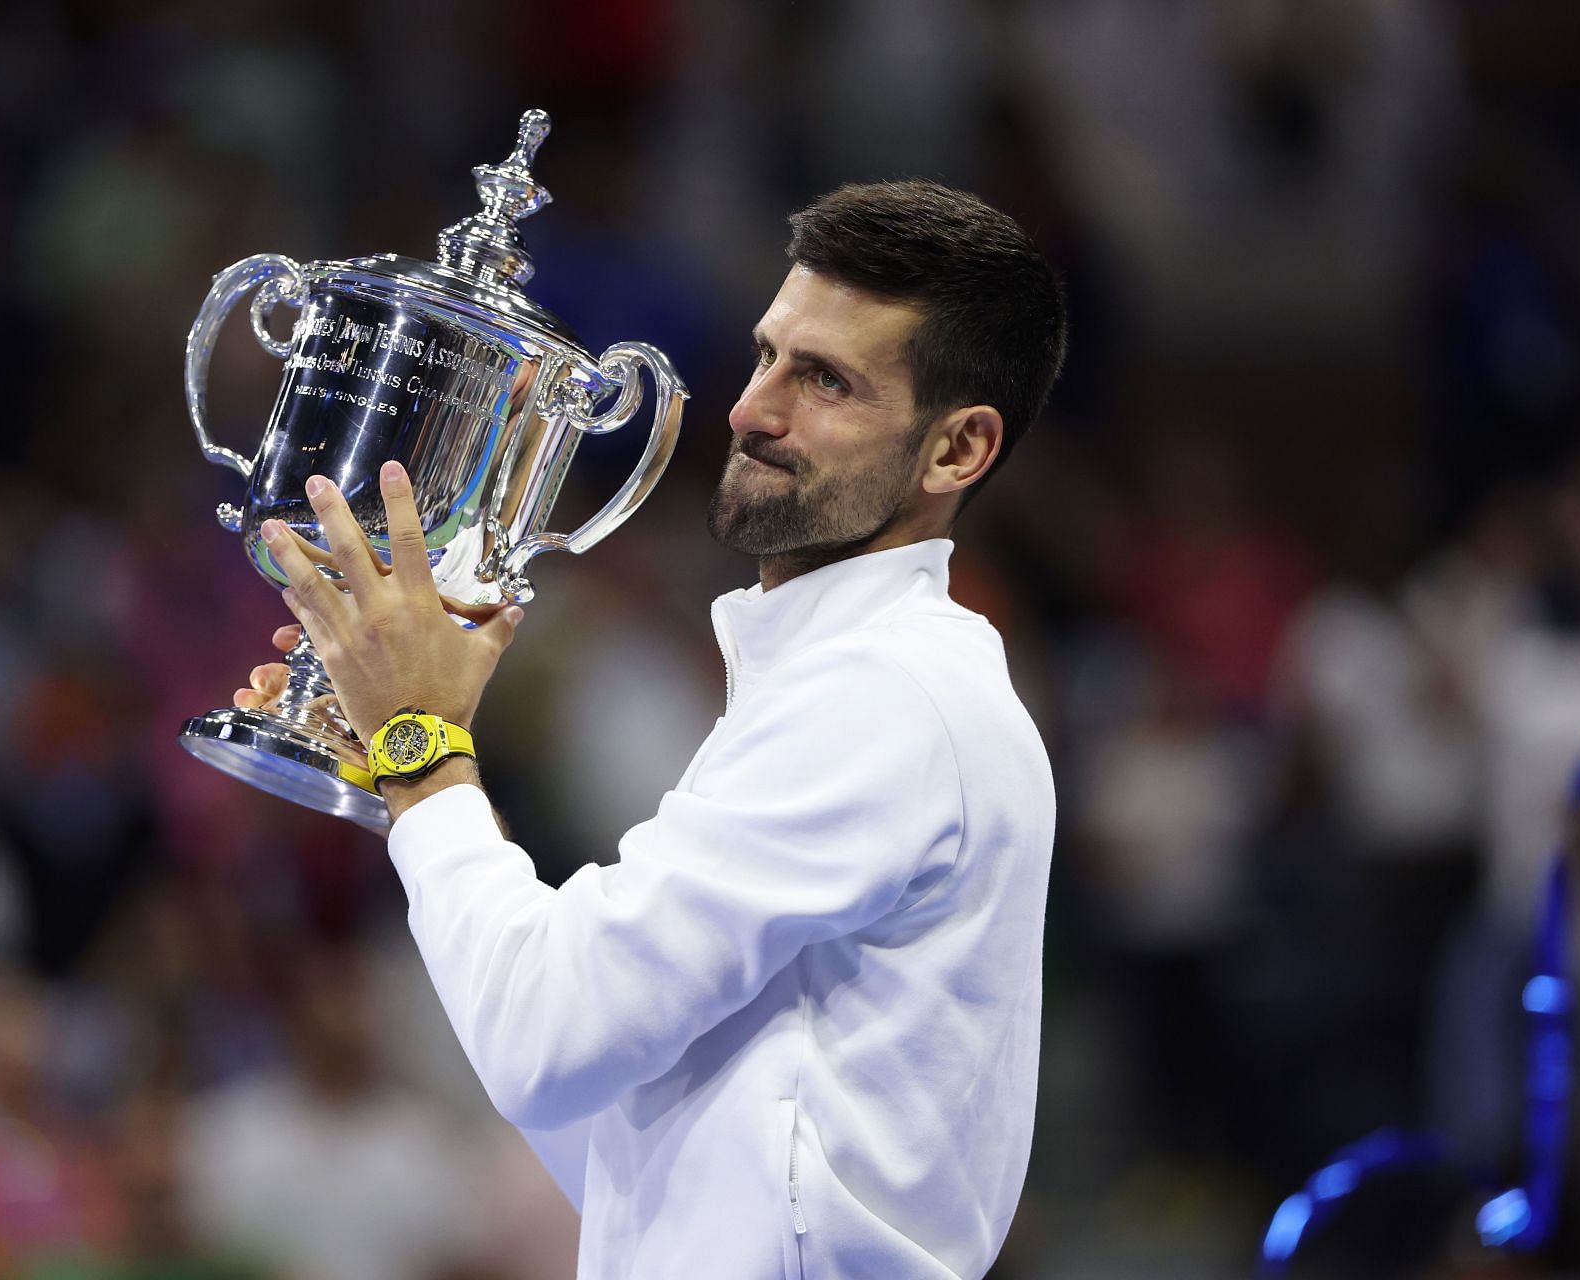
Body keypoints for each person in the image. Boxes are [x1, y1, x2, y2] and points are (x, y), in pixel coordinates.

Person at [241, 179, 1068, 1278]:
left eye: (825, 380)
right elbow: (644, 1152)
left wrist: (421, 750)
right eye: (769, 354)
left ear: (956, 451)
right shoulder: (843, 680)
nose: (754, 409)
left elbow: (549, 1038)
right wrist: (399, 762)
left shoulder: (888, 698)